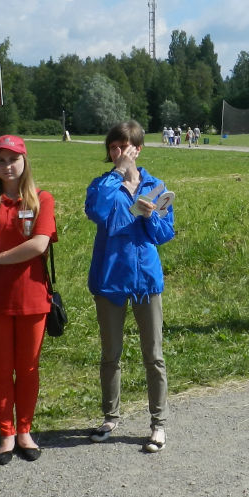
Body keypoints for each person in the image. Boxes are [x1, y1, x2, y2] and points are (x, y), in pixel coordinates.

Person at [86, 121, 175, 453]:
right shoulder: (101, 185)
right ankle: (110, 417)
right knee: (111, 355)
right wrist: (118, 177)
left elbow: (165, 234)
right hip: (110, 280)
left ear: (138, 148)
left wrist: (152, 217)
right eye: (113, 148)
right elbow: (97, 211)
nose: (118, 153)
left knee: (154, 355)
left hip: (146, 282)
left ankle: (158, 423)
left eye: (125, 147)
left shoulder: (155, 186)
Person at [0, 135, 56, 464]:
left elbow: (39, 245)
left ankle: (25, 430)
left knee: (28, 368)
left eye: (13, 159)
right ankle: (6, 434)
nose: (7, 166)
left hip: (32, 295)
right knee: (1, 369)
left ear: (25, 161)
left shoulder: (41, 200)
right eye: (1, 160)